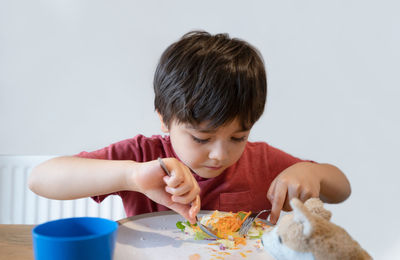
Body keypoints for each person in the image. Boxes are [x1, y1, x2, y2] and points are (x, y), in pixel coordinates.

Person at [29, 31, 351, 225]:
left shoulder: (261, 162)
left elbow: (342, 189)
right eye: (201, 137)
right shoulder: (144, 156)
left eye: (239, 137)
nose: (220, 154)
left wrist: (315, 174)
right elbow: (40, 178)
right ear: (164, 118)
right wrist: (132, 176)